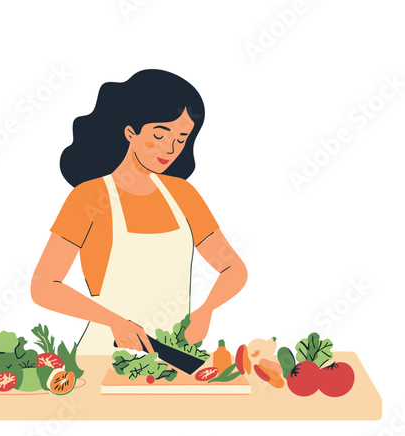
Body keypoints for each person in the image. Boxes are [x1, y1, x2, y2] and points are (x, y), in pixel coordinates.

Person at [31, 69, 248, 354]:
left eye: (181, 139)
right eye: (160, 134)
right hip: (104, 352)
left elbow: (233, 269)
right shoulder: (89, 197)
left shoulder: (183, 195)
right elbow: (44, 286)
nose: (170, 148)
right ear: (130, 131)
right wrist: (115, 322)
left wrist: (206, 309)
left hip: (175, 354)